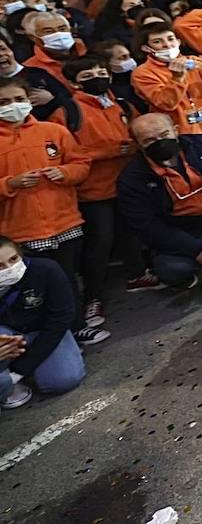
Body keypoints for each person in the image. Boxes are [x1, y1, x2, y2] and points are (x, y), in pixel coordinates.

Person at [0, 74, 102, 346]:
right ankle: (49, 337)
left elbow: (81, 163)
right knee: (34, 287)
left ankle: (77, 326)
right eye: (5, 102)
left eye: (19, 99)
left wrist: (64, 172)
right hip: (21, 230)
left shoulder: (52, 131)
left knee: (68, 279)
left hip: (65, 222)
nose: (14, 105)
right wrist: (10, 183)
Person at [117, 114, 202, 288]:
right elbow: (147, 226)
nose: (159, 142)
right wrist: (197, 249)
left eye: (164, 135)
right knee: (173, 269)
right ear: (137, 144)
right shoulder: (132, 179)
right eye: (149, 140)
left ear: (176, 131)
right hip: (185, 228)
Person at [55, 57, 136, 330]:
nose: (98, 77)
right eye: (89, 74)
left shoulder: (120, 104)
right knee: (100, 245)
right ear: (75, 81)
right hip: (93, 190)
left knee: (130, 235)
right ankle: (93, 297)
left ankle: (138, 275)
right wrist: (110, 152)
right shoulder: (68, 111)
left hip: (126, 183)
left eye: (102, 71)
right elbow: (66, 153)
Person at [0, 237, 85, 410]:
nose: (9, 269)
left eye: (14, 259)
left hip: (44, 330)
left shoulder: (46, 269)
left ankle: (19, 369)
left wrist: (19, 371)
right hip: (6, 333)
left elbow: (61, 318)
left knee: (63, 380)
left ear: (20, 253)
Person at [131, 23, 202, 134]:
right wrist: (177, 79)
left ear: (178, 42)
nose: (167, 45)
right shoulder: (142, 73)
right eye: (157, 42)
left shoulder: (193, 60)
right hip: (180, 133)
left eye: (170, 39)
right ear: (146, 48)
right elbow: (166, 103)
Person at [23, 10, 86, 89]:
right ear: (33, 38)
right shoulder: (31, 68)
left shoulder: (91, 51)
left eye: (62, 29)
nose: (58, 34)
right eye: (48, 32)